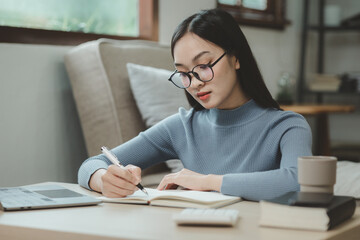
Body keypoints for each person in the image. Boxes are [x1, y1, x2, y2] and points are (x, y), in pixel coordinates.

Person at [78, 9, 312, 201]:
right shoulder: (181, 127)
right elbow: (91, 164)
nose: (195, 82)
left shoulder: (287, 126)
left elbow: (298, 181)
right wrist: (103, 180)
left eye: (204, 65)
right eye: (183, 73)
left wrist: (207, 181)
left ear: (236, 57)